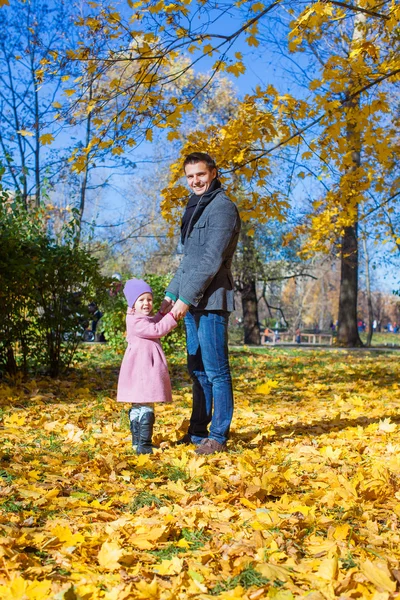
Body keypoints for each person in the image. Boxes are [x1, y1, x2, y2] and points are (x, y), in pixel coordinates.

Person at [160, 152, 241, 455]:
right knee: (198, 371)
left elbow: (210, 261)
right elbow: (188, 262)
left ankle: (218, 437)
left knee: (217, 371)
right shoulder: (195, 208)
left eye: (201, 175)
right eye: (190, 176)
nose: (195, 181)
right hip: (192, 300)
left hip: (211, 301)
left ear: (214, 173)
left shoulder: (222, 209)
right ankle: (197, 433)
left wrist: (185, 299)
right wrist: (171, 296)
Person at [117, 278, 178, 454]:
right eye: (141, 300)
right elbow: (157, 330)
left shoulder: (137, 318)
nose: (146, 303)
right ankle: (144, 445)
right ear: (133, 303)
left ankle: (137, 443)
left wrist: (161, 312)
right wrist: (172, 316)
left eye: (149, 299)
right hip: (143, 371)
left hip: (138, 369)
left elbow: (152, 322)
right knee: (146, 406)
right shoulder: (136, 321)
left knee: (138, 406)